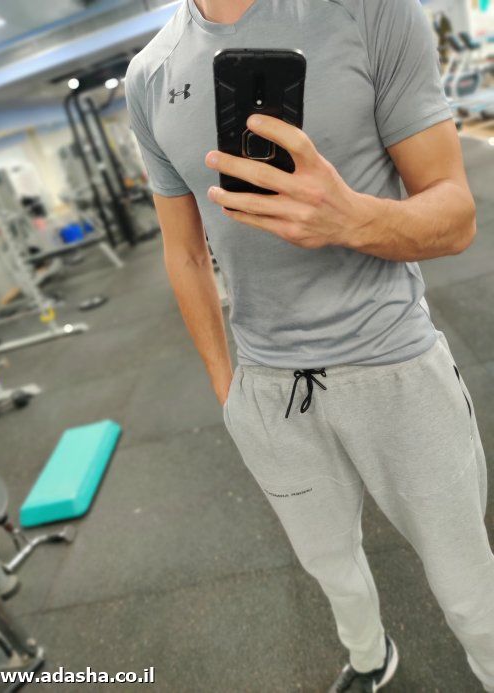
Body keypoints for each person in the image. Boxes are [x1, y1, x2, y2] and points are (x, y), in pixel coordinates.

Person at [125, 1, 494, 690]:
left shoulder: (372, 11)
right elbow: (184, 252)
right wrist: (228, 389)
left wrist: (348, 219)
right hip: (269, 392)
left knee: (468, 585)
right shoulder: (149, 74)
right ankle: (369, 656)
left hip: (394, 365)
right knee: (329, 565)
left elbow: (456, 217)